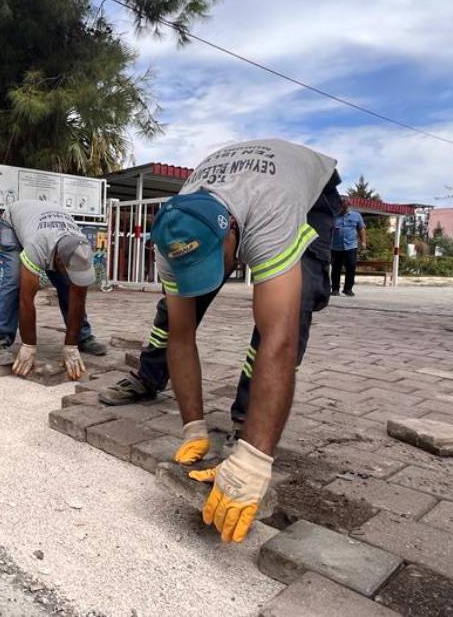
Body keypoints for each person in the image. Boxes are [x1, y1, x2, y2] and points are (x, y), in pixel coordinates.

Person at [101, 139, 340, 543]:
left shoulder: (272, 214)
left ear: (232, 234)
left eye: (214, 262)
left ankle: (248, 428)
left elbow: (278, 341)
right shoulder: (172, 232)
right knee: (173, 312)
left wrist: (254, 458)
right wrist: (193, 426)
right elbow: (180, 337)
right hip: (231, 198)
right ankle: (150, 379)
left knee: (288, 314)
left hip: (306, 194)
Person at [0, 200, 107, 379]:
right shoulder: (37, 246)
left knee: (67, 284)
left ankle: (82, 337)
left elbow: (79, 299)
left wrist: (70, 345)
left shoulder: (82, 248)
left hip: (49, 227)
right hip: (12, 223)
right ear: (58, 261)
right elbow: (26, 301)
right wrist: (29, 345)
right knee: (14, 281)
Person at [331, 197, 366, 296]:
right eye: (341, 205)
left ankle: (348, 289)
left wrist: (363, 242)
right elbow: (329, 230)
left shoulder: (356, 216)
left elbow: (361, 229)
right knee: (336, 269)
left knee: (351, 267)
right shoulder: (334, 216)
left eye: (345, 205)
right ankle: (335, 289)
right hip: (335, 247)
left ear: (348, 205)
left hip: (351, 246)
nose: (343, 207)